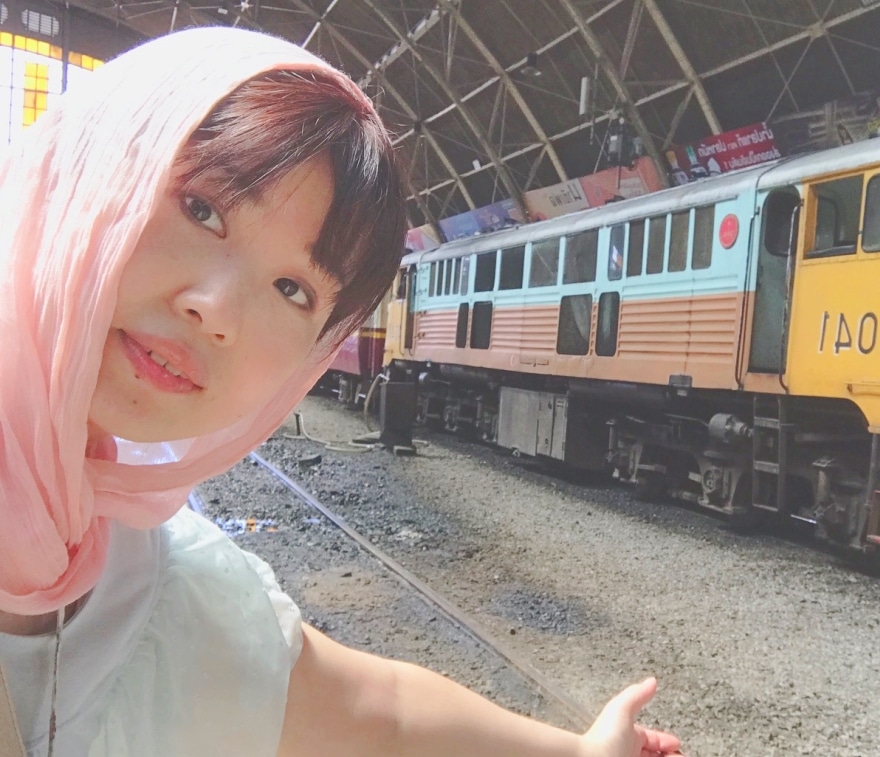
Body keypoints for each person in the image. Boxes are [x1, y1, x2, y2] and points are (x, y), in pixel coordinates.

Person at [0, 27, 684, 757]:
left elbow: (378, 711)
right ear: (89, 169)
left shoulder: (141, 566)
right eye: (202, 210)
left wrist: (582, 752)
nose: (217, 310)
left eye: (292, 289)